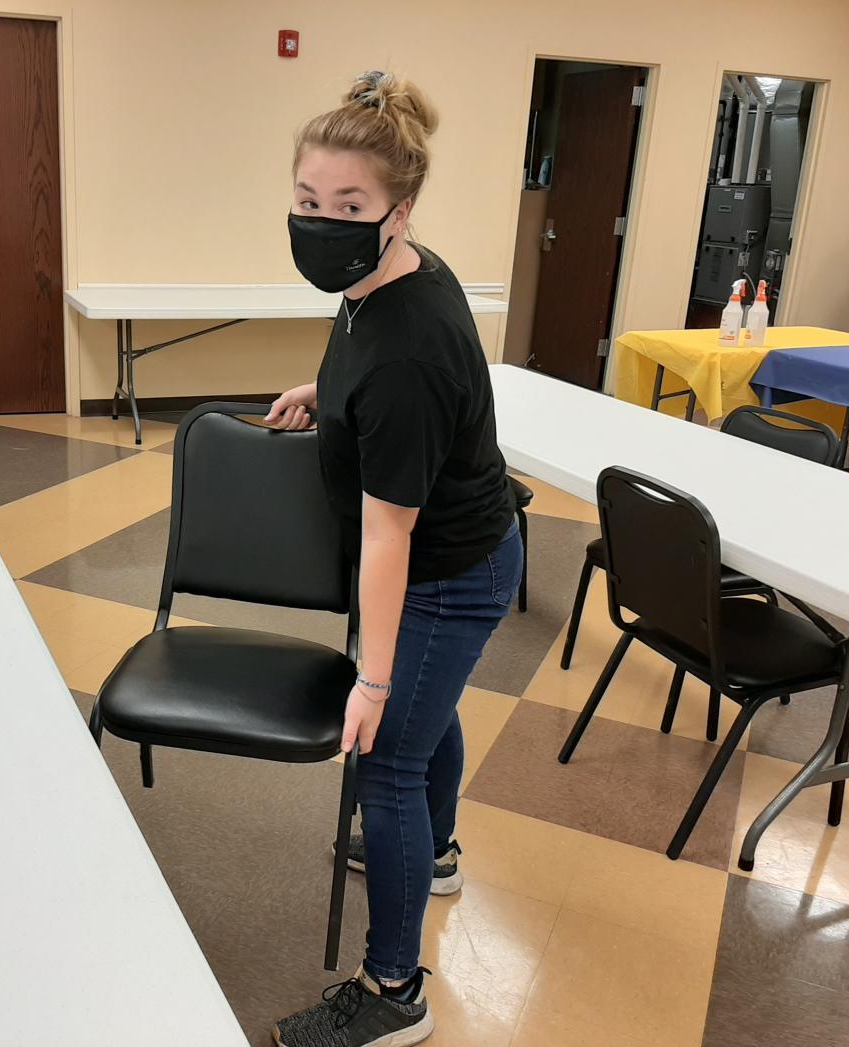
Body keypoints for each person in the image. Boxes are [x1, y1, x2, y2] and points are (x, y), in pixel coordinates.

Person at [264, 71, 521, 1047]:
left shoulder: (408, 353)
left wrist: (369, 680)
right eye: (307, 199)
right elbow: (361, 353)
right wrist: (327, 393)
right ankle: (436, 853)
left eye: (348, 206)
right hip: (451, 554)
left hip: (448, 575)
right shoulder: (383, 273)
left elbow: (388, 535)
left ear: (397, 211)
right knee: (424, 719)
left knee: (386, 759)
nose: (321, 221)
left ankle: (392, 992)